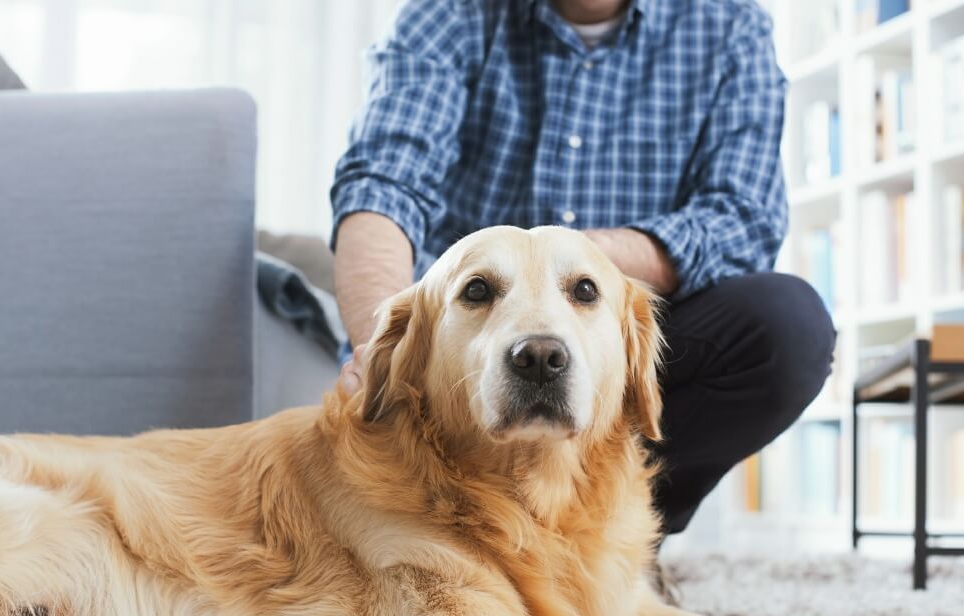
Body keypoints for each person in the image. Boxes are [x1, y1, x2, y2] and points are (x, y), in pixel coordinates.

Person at [329, 0, 835, 536]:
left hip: (619, 336)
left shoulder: (732, 24)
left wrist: (577, 273)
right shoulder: (448, 13)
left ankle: (618, 542)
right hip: (463, 350)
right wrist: (378, 346)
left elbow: (744, 218)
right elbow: (383, 186)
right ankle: (462, 531)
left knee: (788, 325)